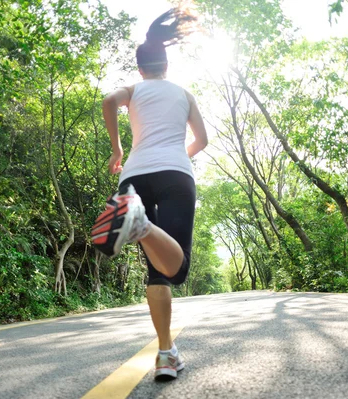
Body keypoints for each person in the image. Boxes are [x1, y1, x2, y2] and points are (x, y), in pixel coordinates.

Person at [90, 8, 208, 381]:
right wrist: (180, 158)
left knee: (157, 271)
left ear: (141, 69)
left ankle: (165, 354)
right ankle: (138, 222)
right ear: (166, 66)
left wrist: (117, 150)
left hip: (134, 179)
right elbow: (202, 141)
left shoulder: (135, 90)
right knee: (177, 268)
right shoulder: (184, 93)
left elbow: (109, 101)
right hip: (175, 175)